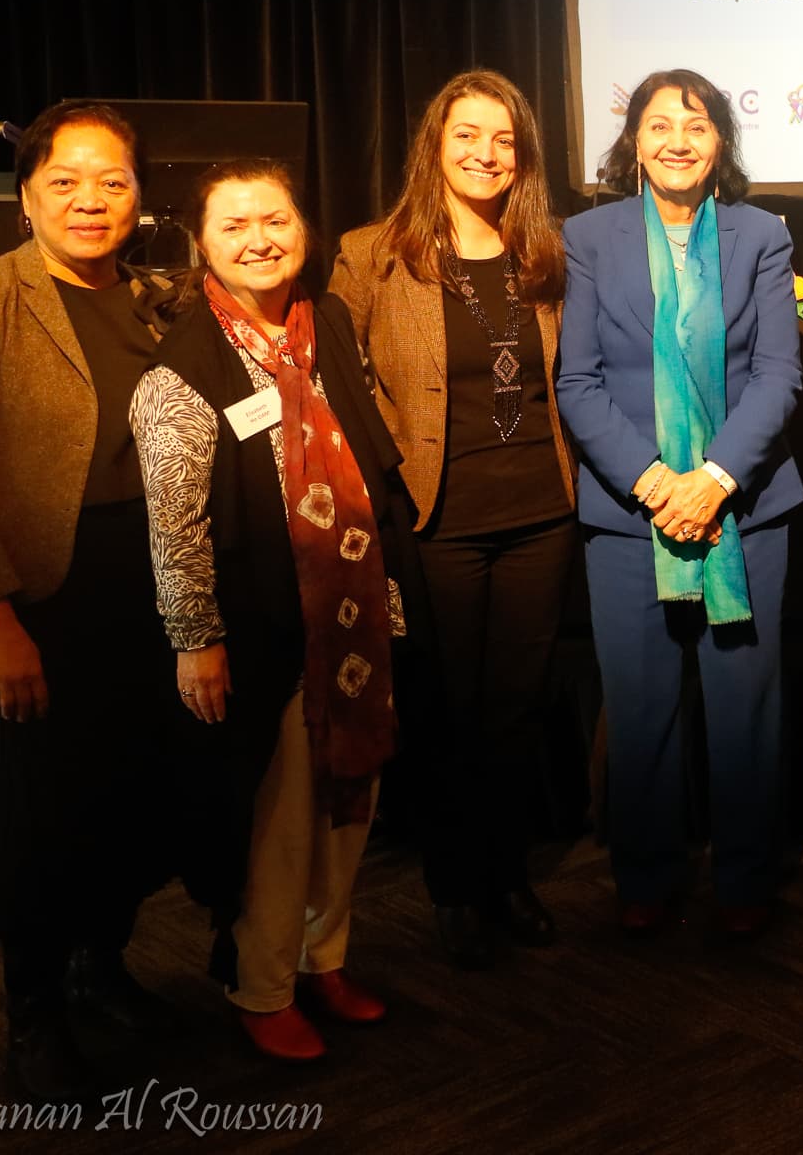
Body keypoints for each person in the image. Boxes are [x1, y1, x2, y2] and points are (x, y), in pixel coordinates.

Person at [0, 101, 180, 1096]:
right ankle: (31, 1014)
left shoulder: (161, 300)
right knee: (44, 826)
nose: (90, 199)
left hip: (152, 597)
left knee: (131, 805)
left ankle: (98, 967)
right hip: (41, 607)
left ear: (139, 196)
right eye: (65, 180)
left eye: (111, 181)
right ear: (25, 198)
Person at [131, 161, 414, 1061]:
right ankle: (261, 987)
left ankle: (324, 957)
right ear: (203, 247)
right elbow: (176, 525)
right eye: (235, 226)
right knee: (282, 821)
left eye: (277, 218)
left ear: (305, 227)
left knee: (349, 803)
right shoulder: (183, 362)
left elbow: (371, 464)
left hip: (356, 618)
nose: (261, 239)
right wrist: (196, 640)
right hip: (266, 631)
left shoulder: (324, 323)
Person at [331, 69, 575, 970]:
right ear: (435, 144)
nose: (486, 154)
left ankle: (505, 874)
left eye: (504, 140)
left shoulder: (544, 254)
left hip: (541, 513)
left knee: (515, 708)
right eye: (467, 135)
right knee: (443, 710)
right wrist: (386, 471)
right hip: (433, 518)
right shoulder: (374, 253)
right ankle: (451, 883)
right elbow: (338, 380)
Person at [558, 68, 803, 936]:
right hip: (631, 514)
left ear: (722, 144)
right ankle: (648, 874)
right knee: (641, 703)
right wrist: (657, 482)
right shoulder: (588, 237)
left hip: (746, 505)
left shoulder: (758, 236)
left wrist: (716, 479)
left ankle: (743, 879)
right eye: (659, 124)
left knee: (745, 709)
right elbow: (577, 382)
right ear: (633, 142)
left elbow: (779, 375)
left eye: (697, 125)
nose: (678, 140)